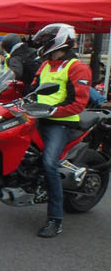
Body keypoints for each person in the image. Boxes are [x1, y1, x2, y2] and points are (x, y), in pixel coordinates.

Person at [30, 23, 91, 238]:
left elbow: (78, 104)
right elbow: (33, 90)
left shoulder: (77, 67)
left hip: (61, 122)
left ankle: (55, 219)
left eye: (47, 39)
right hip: (38, 117)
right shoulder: (45, 65)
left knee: (49, 163)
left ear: (60, 40)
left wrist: (50, 112)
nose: (43, 43)